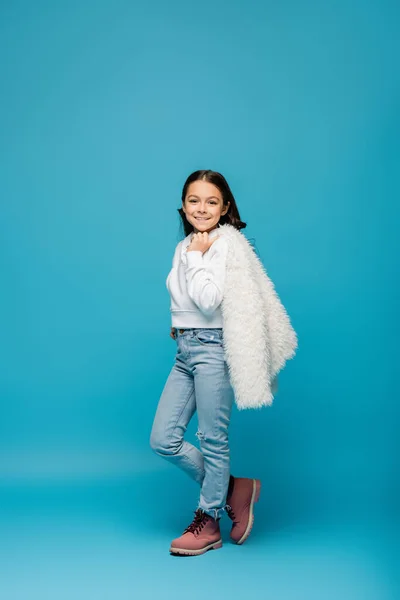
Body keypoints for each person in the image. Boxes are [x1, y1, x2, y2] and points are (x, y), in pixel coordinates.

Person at [150, 169, 287, 556]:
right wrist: (180, 325)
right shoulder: (189, 245)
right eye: (194, 200)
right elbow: (188, 299)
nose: (202, 208)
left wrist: (196, 259)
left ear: (225, 207)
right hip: (187, 349)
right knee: (163, 439)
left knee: (212, 438)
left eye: (212, 201)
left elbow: (209, 300)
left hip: (213, 349)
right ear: (183, 205)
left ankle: (208, 521)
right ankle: (233, 489)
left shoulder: (222, 244)